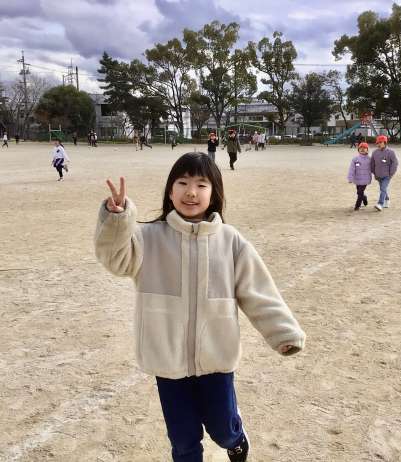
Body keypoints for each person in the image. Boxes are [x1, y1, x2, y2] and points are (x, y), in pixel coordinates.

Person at [94, 152, 306, 462]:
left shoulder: (231, 241)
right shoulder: (148, 238)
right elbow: (115, 260)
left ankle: (236, 437)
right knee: (183, 441)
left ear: (214, 193)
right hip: (167, 360)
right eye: (182, 183)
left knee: (223, 429)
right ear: (170, 191)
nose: (191, 192)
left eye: (201, 184)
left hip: (216, 358)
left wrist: (283, 333)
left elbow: (258, 291)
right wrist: (117, 220)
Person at [371, 135, 398, 211]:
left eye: (380, 142)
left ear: (385, 143)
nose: (378, 144)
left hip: (387, 175)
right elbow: (372, 164)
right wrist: (374, 173)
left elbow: (395, 163)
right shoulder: (374, 152)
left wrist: (391, 173)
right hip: (378, 175)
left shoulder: (391, 152)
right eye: (377, 143)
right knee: (383, 189)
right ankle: (387, 200)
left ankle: (380, 204)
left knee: (383, 188)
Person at [347, 142, 372, 211]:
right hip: (357, 179)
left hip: (365, 179)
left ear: (367, 150)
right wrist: (350, 178)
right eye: (361, 148)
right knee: (359, 192)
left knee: (360, 192)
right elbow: (351, 169)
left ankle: (357, 206)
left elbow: (374, 168)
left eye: (364, 148)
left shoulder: (370, 159)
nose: (362, 149)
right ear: (358, 150)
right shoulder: (355, 159)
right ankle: (364, 197)